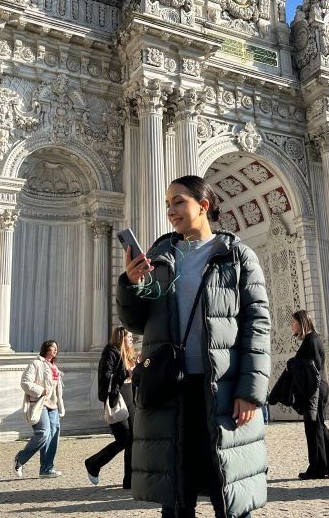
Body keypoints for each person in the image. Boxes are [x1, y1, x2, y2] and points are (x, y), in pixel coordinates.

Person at [117, 175, 270, 518]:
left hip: (223, 388)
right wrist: (129, 284)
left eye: (178, 202)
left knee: (227, 491)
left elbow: (257, 327)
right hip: (172, 388)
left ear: (203, 206)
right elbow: (136, 323)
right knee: (175, 496)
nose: (170, 210)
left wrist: (250, 390)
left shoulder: (238, 256)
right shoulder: (159, 256)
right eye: (168, 204)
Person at [290, 309, 329, 480]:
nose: (291, 326)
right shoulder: (311, 340)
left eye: (293, 322)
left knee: (313, 428)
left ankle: (318, 467)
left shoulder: (312, 341)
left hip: (315, 390)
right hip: (316, 389)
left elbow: (311, 368)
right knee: (319, 426)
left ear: (302, 322)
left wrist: (292, 363)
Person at [85, 326, 136, 488]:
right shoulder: (110, 352)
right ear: (122, 338)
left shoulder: (129, 354)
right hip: (117, 399)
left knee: (133, 441)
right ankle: (93, 463)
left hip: (131, 398)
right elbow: (106, 376)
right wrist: (126, 373)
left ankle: (130, 480)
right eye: (129, 337)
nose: (132, 340)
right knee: (125, 439)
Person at [13, 340, 65, 479]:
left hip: (53, 406)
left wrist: (59, 403)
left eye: (56, 348)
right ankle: (20, 458)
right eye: (52, 347)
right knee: (43, 433)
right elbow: (25, 382)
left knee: (53, 435)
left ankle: (46, 468)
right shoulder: (36, 363)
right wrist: (42, 390)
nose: (55, 350)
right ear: (45, 348)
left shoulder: (54, 366)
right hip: (39, 404)